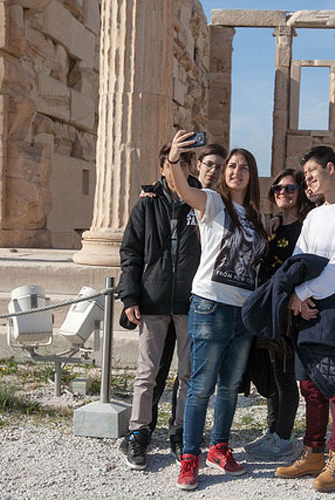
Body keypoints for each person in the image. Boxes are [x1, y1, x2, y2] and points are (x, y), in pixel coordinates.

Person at [162, 130, 268, 491]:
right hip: (210, 304)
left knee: (230, 387)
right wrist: (175, 159)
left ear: (252, 175)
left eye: (243, 167)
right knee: (201, 386)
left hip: (243, 310)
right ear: (224, 173)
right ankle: (190, 454)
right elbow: (183, 190)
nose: (236, 170)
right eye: (231, 166)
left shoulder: (258, 218)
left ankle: (219, 447)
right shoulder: (213, 202)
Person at [275, 145, 335, 493]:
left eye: (312, 171)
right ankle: (313, 452)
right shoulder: (313, 217)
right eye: (305, 174)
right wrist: (298, 297)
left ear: (331, 168)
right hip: (310, 309)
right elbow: (300, 260)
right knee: (310, 386)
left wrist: (302, 295)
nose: (308, 179)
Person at [117, 143, 201, 470]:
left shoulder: (201, 202)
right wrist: (129, 297)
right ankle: (138, 433)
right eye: (173, 163)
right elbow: (131, 253)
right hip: (152, 299)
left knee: (188, 374)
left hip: (189, 301)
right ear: (162, 168)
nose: (178, 168)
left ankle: (180, 430)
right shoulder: (145, 206)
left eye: (184, 163)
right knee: (147, 372)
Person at [146, 143, 227, 456]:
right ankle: (145, 428)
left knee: (192, 373)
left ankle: (183, 431)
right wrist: (152, 190)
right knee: (155, 369)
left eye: (219, 166)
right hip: (165, 294)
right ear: (197, 166)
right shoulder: (175, 197)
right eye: (208, 164)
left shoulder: (219, 203)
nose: (212, 170)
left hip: (199, 297)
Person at [244, 168, 313, 460]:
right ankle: (273, 431)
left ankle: (284, 437)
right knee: (270, 376)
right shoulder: (271, 228)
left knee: (285, 377)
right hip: (265, 309)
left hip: (287, 312)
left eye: (289, 188)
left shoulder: (307, 228)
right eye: (277, 189)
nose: (282, 193)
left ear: (300, 192)